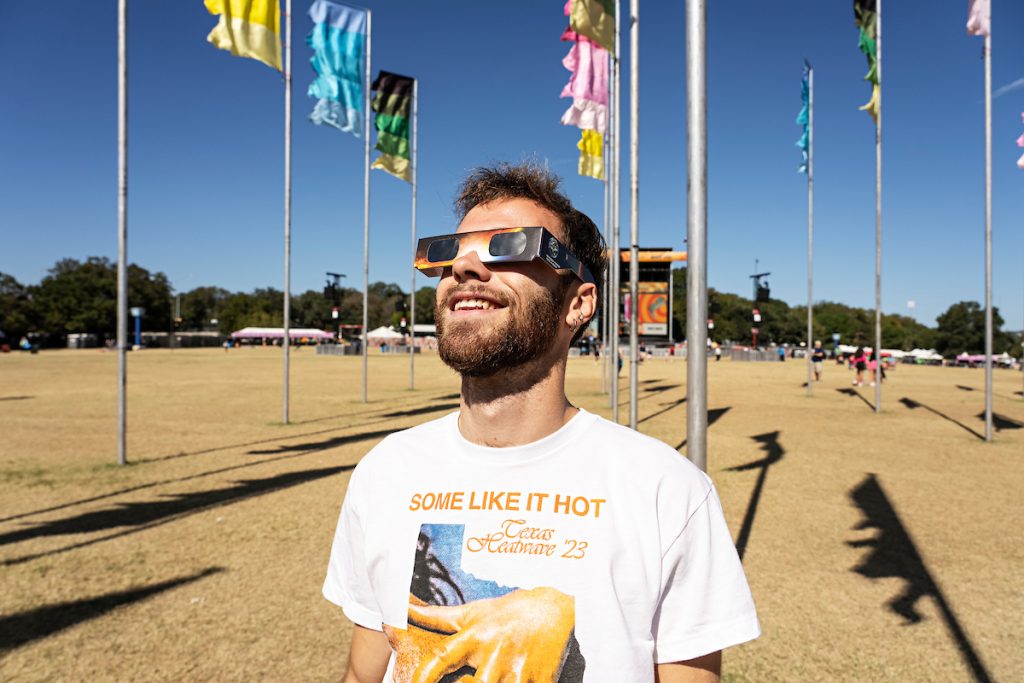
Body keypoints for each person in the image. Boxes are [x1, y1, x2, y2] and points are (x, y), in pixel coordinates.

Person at [324, 163, 759, 683]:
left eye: (510, 246)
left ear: (578, 303)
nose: (465, 266)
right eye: (449, 250)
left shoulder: (667, 490)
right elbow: (362, 671)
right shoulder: (386, 470)